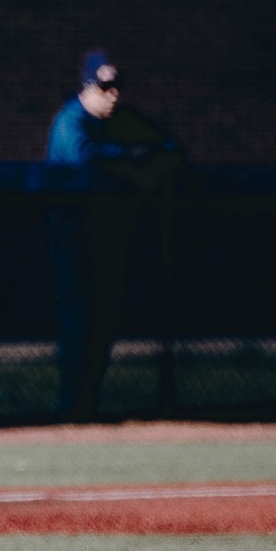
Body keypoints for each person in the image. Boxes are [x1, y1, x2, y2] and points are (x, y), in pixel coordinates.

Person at [43, 49, 183, 418]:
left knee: (101, 327)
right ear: (86, 88)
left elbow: (168, 146)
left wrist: (142, 155)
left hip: (103, 245)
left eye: (118, 86)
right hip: (73, 246)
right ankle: (71, 409)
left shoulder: (116, 122)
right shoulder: (71, 122)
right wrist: (130, 157)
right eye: (105, 87)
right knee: (79, 327)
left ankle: (86, 407)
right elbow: (88, 163)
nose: (114, 94)